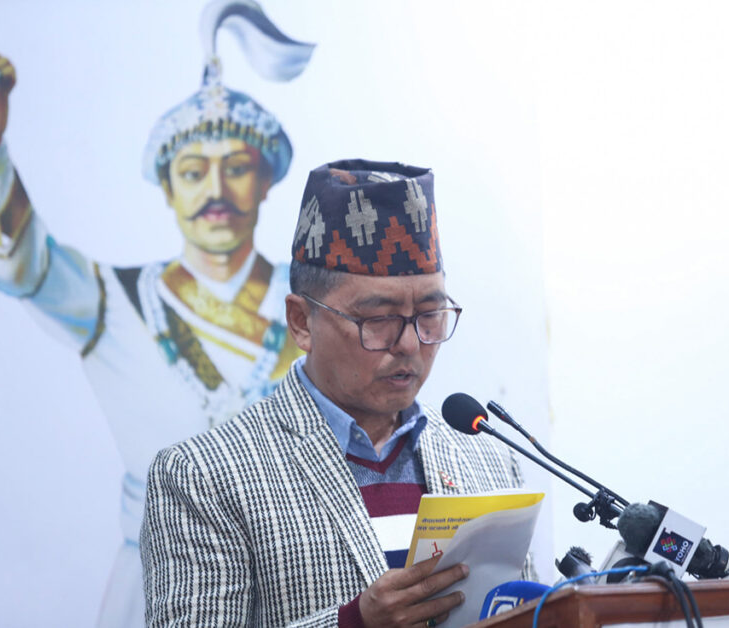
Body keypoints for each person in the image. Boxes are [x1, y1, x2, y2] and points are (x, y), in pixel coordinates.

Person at [0, 4, 313, 625]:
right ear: (168, 187)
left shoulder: (314, 302)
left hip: (293, 580)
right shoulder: (112, 298)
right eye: (193, 172)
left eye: (236, 168)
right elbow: (18, 264)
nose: (216, 192)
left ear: (266, 182)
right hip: (154, 585)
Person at [141, 160, 533, 627]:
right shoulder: (204, 476)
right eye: (379, 319)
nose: (410, 344)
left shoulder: (488, 456)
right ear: (301, 322)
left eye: (430, 315)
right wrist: (353, 624)